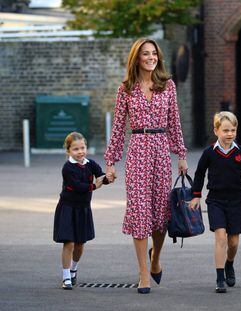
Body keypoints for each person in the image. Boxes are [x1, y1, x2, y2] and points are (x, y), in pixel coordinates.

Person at [104, 38, 188, 294]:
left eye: (154, 53)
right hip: (138, 150)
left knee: (161, 215)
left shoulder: (168, 86)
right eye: (145, 54)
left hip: (161, 150)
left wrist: (181, 154)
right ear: (136, 59)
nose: (151, 57)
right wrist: (110, 162)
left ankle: (155, 259)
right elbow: (118, 128)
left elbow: (174, 122)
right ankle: (143, 273)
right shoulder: (125, 89)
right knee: (140, 212)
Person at [189, 111, 241, 293]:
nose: (229, 134)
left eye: (233, 130)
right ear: (216, 131)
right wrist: (196, 194)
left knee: (233, 242)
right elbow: (199, 174)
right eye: (225, 130)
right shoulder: (209, 153)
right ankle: (220, 277)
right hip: (215, 201)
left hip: (235, 202)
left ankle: (229, 263)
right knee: (221, 237)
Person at [53, 132, 109, 290]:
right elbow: (77, 187)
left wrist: (108, 178)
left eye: (82, 148)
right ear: (68, 151)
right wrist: (94, 186)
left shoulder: (90, 163)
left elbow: (101, 175)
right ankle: (65, 277)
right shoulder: (68, 168)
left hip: (83, 209)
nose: (80, 152)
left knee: (80, 244)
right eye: (76, 149)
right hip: (68, 208)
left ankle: (73, 269)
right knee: (68, 243)